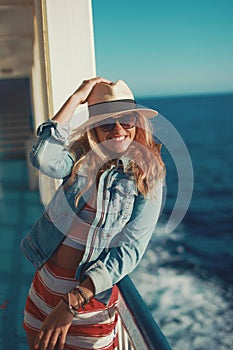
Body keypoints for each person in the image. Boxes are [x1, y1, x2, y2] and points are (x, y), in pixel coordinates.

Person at [21, 77, 165, 350]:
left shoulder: (147, 174)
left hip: (86, 305)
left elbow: (129, 252)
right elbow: (43, 158)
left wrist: (71, 303)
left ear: (137, 121)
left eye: (127, 120)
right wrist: (76, 96)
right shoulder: (80, 158)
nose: (118, 130)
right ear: (95, 129)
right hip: (43, 287)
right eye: (107, 123)